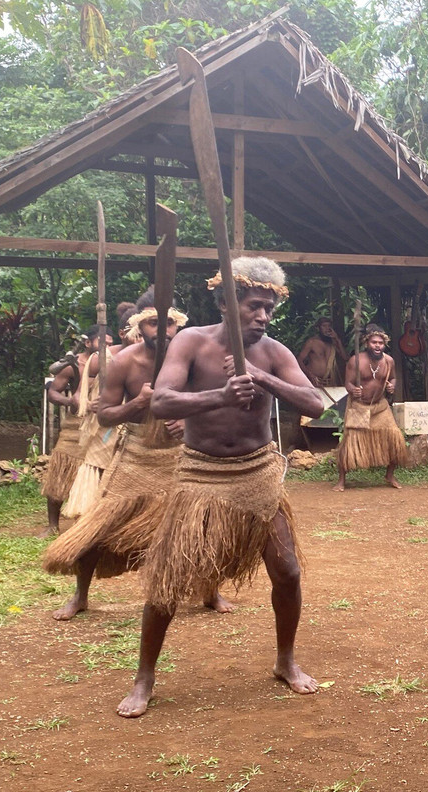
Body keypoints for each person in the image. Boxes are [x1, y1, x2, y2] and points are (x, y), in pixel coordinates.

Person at [116, 257, 324, 718]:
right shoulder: (191, 342)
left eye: (269, 308)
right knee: (167, 581)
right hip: (200, 473)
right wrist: (221, 394)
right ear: (227, 304)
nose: (262, 316)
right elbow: (163, 400)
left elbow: (315, 403)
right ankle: (144, 677)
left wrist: (260, 376)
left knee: (288, 572)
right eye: (253, 306)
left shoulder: (274, 352)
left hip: (257, 472)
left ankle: (285, 660)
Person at [42, 294, 230, 621]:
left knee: (202, 523)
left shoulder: (196, 359)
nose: (163, 330)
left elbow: (218, 401)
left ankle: (210, 591)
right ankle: (80, 595)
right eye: (154, 322)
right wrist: (137, 404)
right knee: (99, 526)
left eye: (169, 322)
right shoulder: (125, 362)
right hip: (136, 454)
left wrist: (190, 420)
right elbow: (106, 416)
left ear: (178, 324)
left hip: (184, 455)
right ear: (139, 325)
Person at [62, 302, 135, 518]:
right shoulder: (101, 359)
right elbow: (79, 393)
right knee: (99, 466)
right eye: (135, 333)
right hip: (105, 427)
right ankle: (89, 516)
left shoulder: (153, 359)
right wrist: (88, 404)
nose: (140, 338)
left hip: (134, 426)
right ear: (124, 333)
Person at [39, 326, 100, 537]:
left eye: (109, 343)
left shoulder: (114, 364)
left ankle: (87, 524)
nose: (106, 347)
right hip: (75, 426)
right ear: (88, 343)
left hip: (102, 427)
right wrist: (73, 402)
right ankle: (52, 525)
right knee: (60, 471)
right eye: (101, 342)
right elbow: (53, 393)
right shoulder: (74, 366)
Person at [334, 323, 408, 491]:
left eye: (380, 343)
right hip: (359, 406)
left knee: (394, 438)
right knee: (350, 442)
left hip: (380, 406)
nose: (377, 346)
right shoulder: (356, 361)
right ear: (367, 343)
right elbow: (348, 383)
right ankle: (341, 480)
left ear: (384, 345)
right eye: (374, 342)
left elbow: (394, 378)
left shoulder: (389, 361)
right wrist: (353, 390)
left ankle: (390, 475)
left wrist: (391, 385)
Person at [298, 317, 347, 388]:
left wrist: (337, 339)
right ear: (318, 328)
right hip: (314, 381)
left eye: (329, 326)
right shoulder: (312, 342)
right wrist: (310, 375)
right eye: (324, 326)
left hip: (329, 382)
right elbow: (299, 360)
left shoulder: (332, 344)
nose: (327, 328)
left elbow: (345, 357)